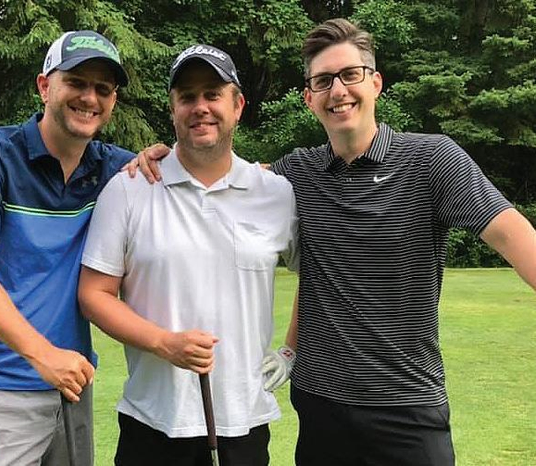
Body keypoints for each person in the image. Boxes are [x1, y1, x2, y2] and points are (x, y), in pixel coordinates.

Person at [130, 18, 536, 466]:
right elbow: (225, 179)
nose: (338, 90)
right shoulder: (295, 175)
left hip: (406, 408)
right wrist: (163, 157)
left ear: (375, 82)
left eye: (350, 75)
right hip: (320, 410)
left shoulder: (432, 161)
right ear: (309, 98)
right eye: (323, 81)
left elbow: (514, 236)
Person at [78, 44, 298, 466]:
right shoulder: (129, 189)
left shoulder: (275, 192)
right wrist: (164, 343)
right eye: (187, 96)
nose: (200, 107)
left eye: (213, 94)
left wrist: (290, 352)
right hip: (153, 423)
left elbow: (320, 275)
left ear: (238, 106)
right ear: (173, 107)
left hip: (244, 424)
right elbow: (94, 294)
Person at [0, 30, 135, 465]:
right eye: (77, 82)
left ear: (112, 102)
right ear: (45, 86)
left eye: (103, 89)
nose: (90, 97)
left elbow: (188, 169)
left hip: (71, 383)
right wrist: (43, 355)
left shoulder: (113, 168)